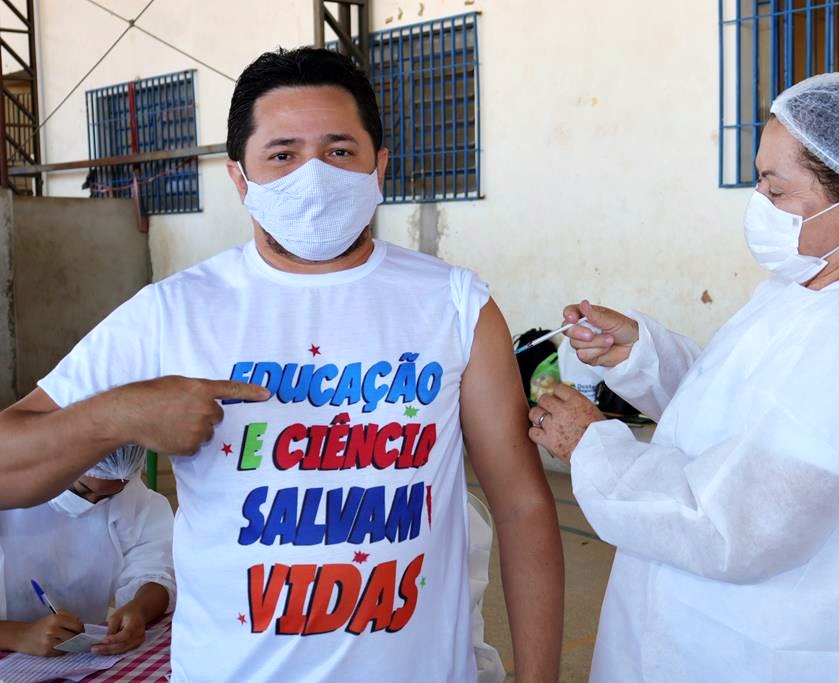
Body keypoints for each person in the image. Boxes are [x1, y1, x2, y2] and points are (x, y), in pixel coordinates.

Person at [0, 48, 563, 682]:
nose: (313, 175)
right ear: (241, 178)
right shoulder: (171, 313)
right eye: (283, 154)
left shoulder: (455, 305)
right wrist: (116, 415)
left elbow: (520, 507)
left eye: (340, 151)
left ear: (380, 166)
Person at [528, 72, 839, 682]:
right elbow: (739, 410)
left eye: (777, 188)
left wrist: (594, 445)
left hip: (771, 653)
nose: (758, 203)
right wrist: (641, 352)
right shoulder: (812, 288)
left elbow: (736, 524)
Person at [0, 444, 174, 657]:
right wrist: (19, 635)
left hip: (72, 657)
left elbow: (155, 573)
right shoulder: (7, 487)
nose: (90, 504)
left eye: (107, 497)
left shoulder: (138, 501)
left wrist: (139, 609)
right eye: (82, 490)